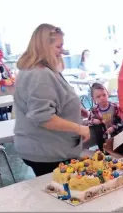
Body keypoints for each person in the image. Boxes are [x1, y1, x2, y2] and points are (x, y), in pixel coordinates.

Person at [13, 24, 91, 177]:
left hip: (44, 147)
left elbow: (51, 100)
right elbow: (43, 117)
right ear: (44, 46)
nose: (62, 50)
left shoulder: (37, 69)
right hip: (47, 152)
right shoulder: (39, 74)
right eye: (58, 46)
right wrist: (78, 128)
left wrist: (72, 108)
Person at [87, 83, 123, 151]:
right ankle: (102, 152)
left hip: (116, 134)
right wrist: (93, 121)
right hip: (102, 137)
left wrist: (113, 127)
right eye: (98, 97)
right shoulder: (94, 110)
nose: (102, 98)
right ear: (93, 99)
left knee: (117, 149)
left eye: (104, 95)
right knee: (104, 150)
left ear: (107, 94)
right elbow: (89, 121)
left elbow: (121, 121)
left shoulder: (115, 107)